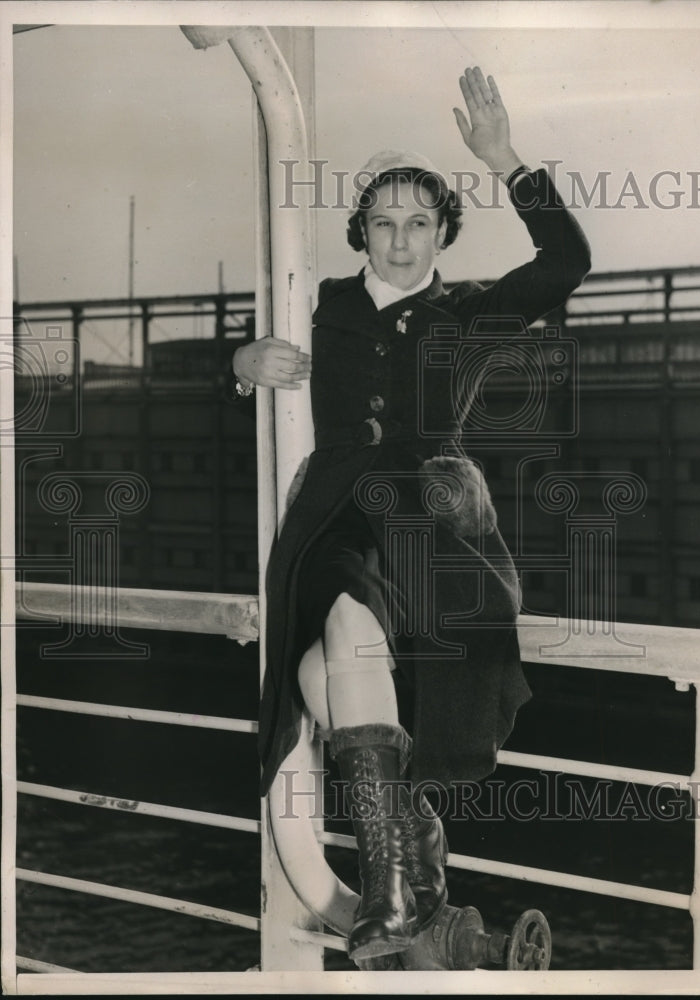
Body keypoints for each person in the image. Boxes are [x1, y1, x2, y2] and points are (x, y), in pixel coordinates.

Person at [231, 67, 591, 963]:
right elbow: (246, 365)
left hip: (432, 525)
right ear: (361, 230)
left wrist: (504, 157)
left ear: (441, 230)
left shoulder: (467, 313)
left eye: (418, 222)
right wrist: (243, 359)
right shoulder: (317, 305)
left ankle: (400, 872)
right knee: (332, 649)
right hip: (329, 520)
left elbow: (567, 264)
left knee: (327, 666)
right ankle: (403, 867)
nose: (400, 240)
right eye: (383, 222)